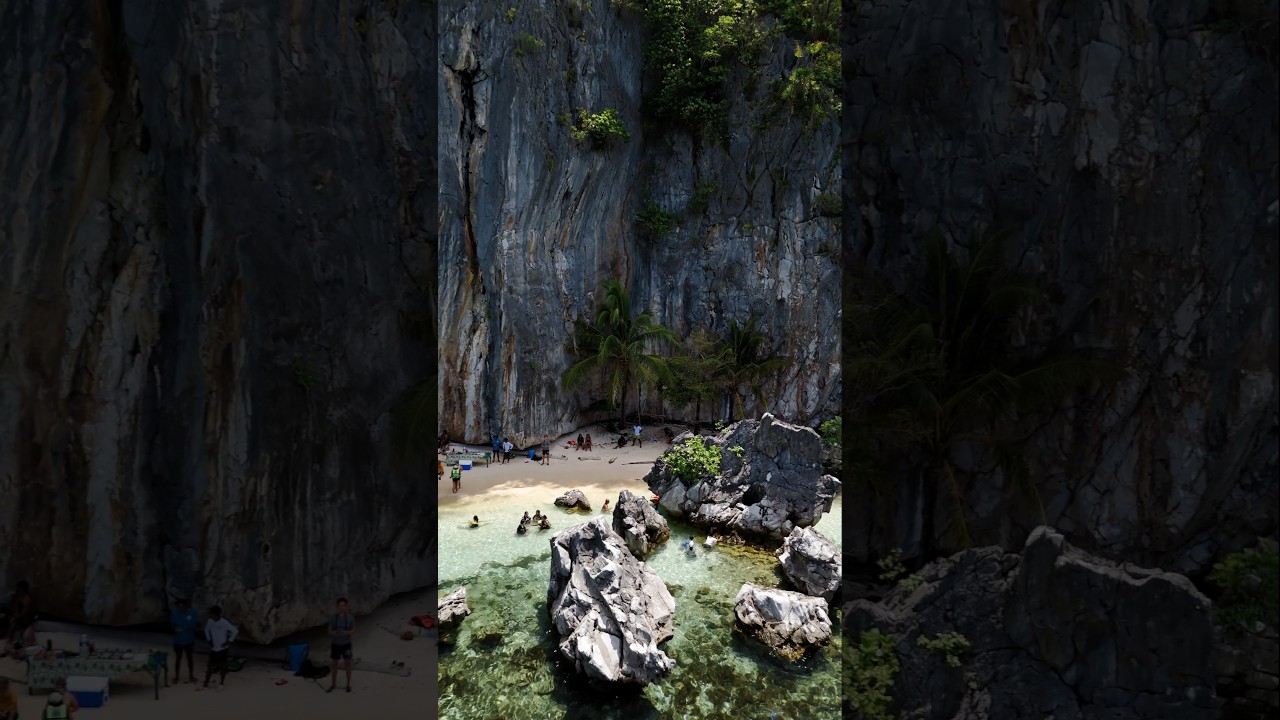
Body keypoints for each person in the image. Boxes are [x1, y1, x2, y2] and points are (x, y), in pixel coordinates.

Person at [202, 605, 239, 687]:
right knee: (210, 666)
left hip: (223, 648)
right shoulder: (210, 621)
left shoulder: (224, 623)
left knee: (222, 666)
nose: (209, 615)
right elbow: (206, 630)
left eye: (211, 614)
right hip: (214, 647)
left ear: (215, 614)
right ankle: (206, 682)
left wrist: (229, 641)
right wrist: (209, 639)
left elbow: (235, 631)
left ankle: (221, 682)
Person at [327, 598, 355, 693]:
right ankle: (333, 683)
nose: (342, 607)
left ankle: (348, 684)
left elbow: (353, 630)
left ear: (346, 606)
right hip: (336, 644)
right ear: (337, 607)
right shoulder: (333, 618)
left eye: (343, 605)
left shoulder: (350, 618)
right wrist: (335, 633)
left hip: (346, 644)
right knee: (334, 664)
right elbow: (329, 631)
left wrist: (346, 632)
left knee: (347, 664)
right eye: (340, 605)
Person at [170, 598, 200, 683]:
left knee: (190, 658)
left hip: (189, 640)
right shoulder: (174, 613)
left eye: (183, 607)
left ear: (186, 606)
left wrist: (185, 629)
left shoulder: (192, 612)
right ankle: (176, 677)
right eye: (179, 607)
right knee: (178, 658)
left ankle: (191, 675)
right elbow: (172, 624)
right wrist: (175, 629)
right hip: (178, 640)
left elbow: (196, 624)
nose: (181, 609)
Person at [5, 581, 33, 647]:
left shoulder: (27, 598)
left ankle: (20, 642)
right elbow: (15, 607)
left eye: (20, 588)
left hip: (25, 617)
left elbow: (24, 612)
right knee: (12, 625)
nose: (18, 590)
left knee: (20, 627)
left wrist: (17, 617)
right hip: (18, 615)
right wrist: (15, 616)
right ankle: (9, 641)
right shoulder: (18, 596)